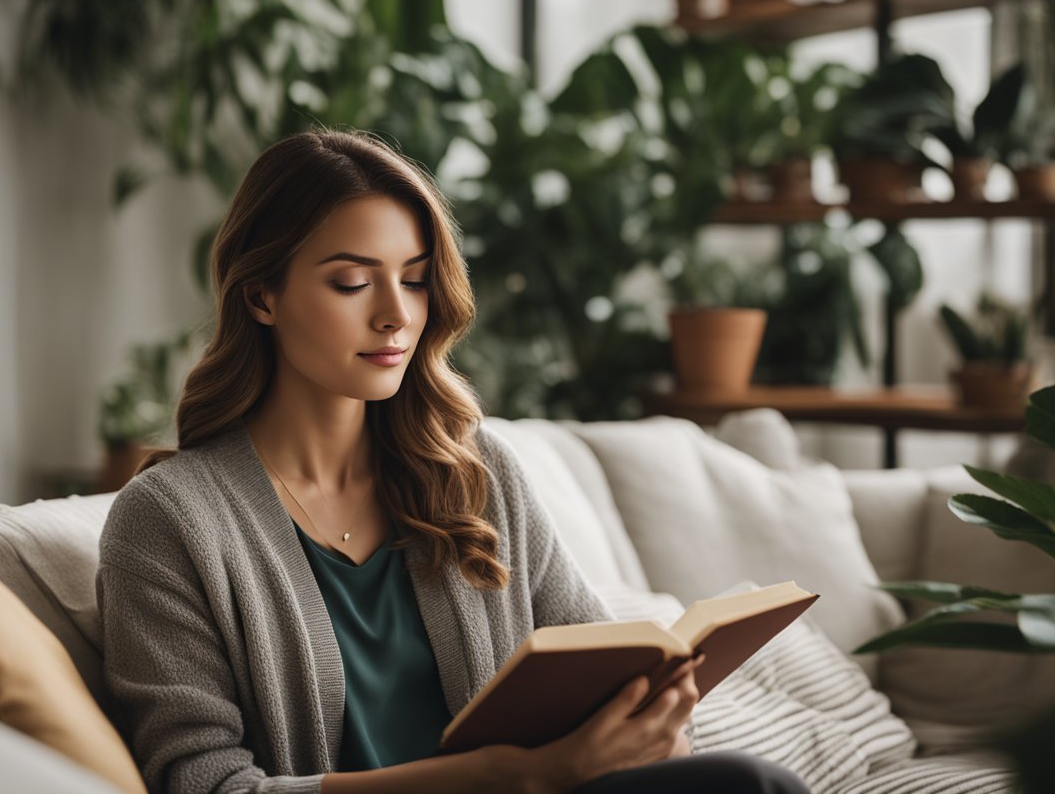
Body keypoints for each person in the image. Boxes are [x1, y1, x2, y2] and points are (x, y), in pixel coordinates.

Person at [96, 129, 809, 794]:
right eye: (352, 282)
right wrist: (506, 777)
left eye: (413, 278)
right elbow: (205, 784)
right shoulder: (167, 520)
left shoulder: (475, 473)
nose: (397, 315)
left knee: (748, 783)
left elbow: (598, 660)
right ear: (262, 295)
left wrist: (652, 726)